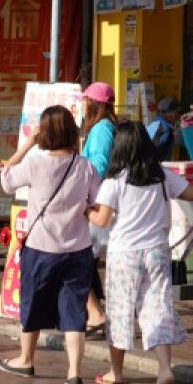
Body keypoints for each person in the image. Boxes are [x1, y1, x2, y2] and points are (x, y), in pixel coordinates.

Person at [89, 122, 193, 384]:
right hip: (158, 252)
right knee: (156, 309)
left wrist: (85, 211)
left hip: (124, 254)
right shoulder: (162, 176)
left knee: (119, 310)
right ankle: (164, 369)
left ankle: (116, 372)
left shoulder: (114, 182)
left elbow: (102, 219)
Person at [0, 106, 99, 384]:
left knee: (33, 302)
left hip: (41, 247)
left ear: (45, 133)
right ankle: (74, 372)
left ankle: (26, 360)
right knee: (74, 309)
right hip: (78, 248)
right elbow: (96, 202)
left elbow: (6, 180)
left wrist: (28, 143)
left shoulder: (36, 163)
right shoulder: (86, 166)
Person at [81, 81, 118, 335]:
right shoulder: (106, 127)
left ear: (93, 104)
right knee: (86, 260)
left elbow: (99, 165)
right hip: (99, 199)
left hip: (96, 201)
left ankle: (96, 314)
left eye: (86, 100)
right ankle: (94, 312)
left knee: (80, 259)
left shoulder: (102, 129)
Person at [147, 97, 182, 161]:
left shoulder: (155, 124)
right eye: (177, 113)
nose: (178, 117)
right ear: (172, 113)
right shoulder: (165, 129)